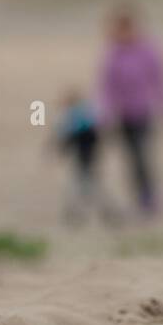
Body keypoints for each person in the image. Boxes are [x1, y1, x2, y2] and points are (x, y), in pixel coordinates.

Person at [95, 5, 163, 216]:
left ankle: (149, 197)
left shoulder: (148, 51)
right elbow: (106, 87)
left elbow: (160, 81)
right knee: (131, 157)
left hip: (143, 111)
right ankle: (139, 197)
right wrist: (104, 112)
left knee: (142, 154)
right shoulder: (112, 54)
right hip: (122, 114)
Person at [54, 87, 117, 225]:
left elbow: (69, 136)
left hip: (84, 155)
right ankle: (104, 210)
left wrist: (60, 148)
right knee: (90, 183)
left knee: (83, 183)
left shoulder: (75, 116)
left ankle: (80, 212)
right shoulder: (88, 114)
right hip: (90, 154)